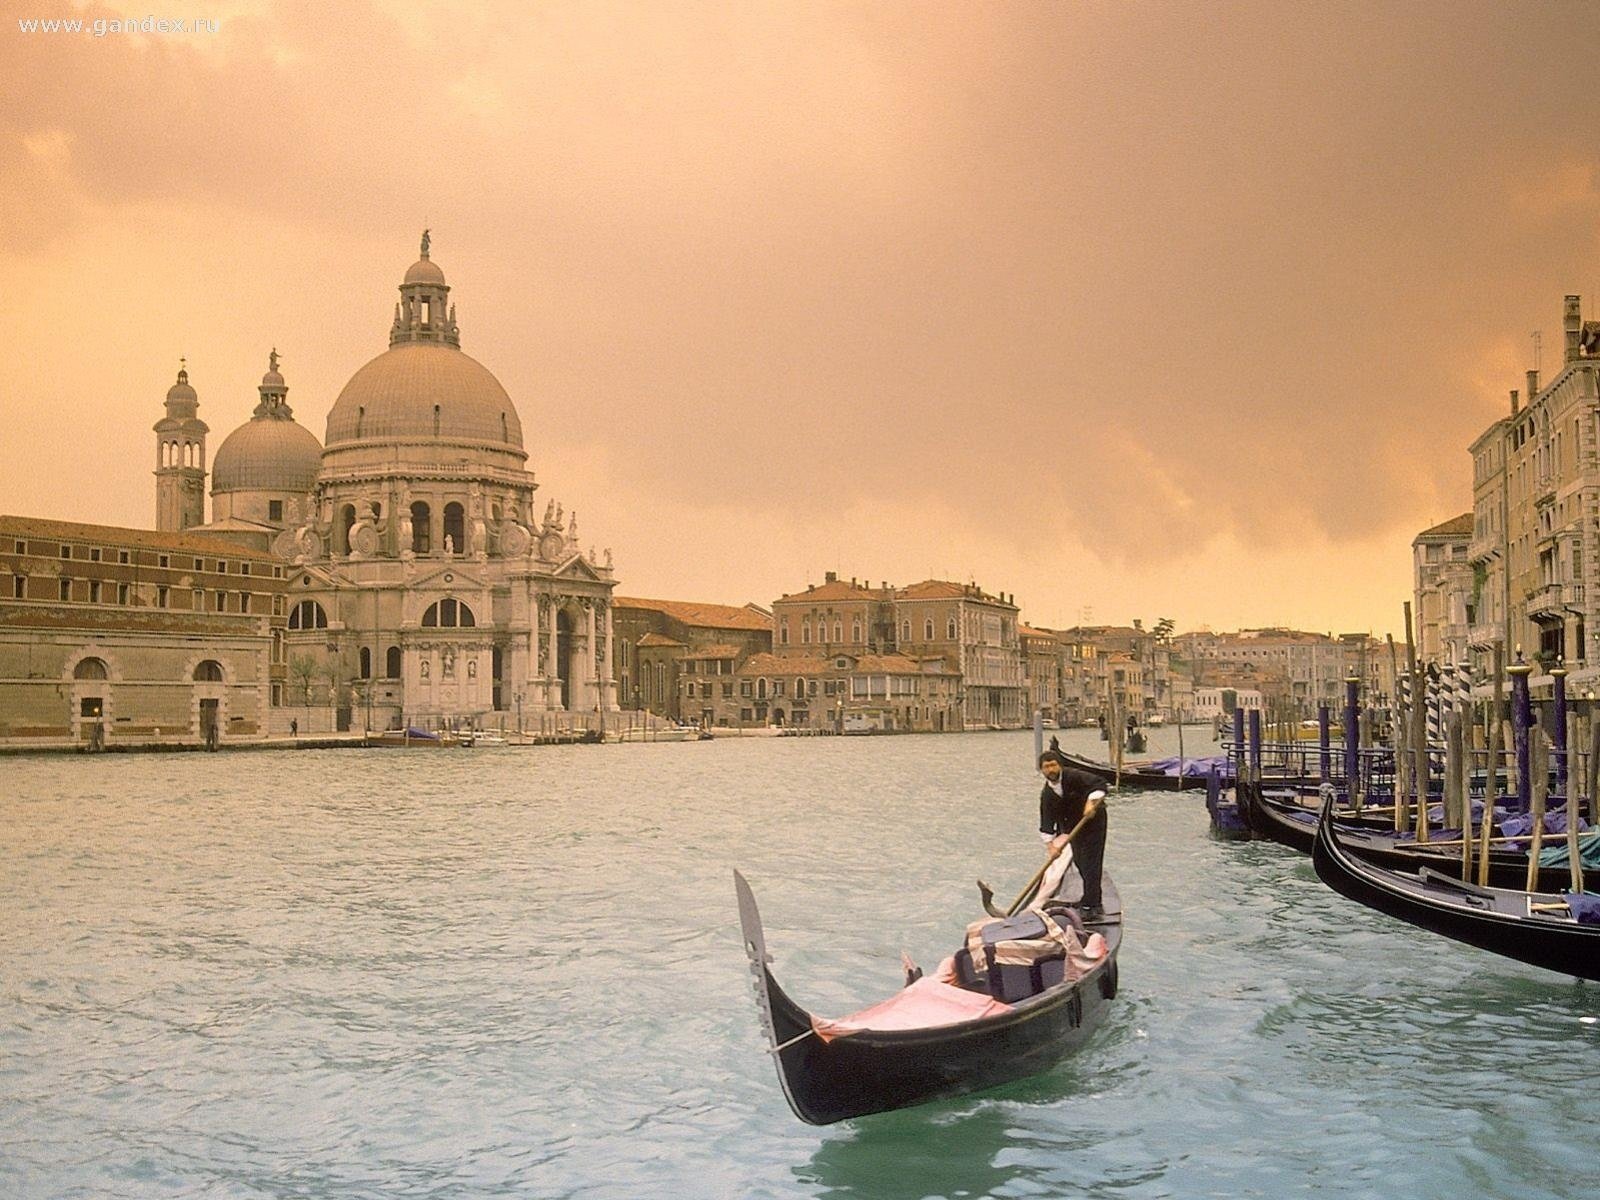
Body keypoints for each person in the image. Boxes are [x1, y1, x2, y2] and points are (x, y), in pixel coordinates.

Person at [1037, 747, 1109, 919]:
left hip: (1093, 824)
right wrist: (1051, 847)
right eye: (1046, 767)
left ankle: (1093, 905)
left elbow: (1100, 784)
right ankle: (1089, 897)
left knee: (1092, 863)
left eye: (1053, 765)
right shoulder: (1047, 795)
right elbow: (1046, 823)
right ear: (1041, 770)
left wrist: (1091, 803)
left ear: (1060, 766)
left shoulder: (1075, 776)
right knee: (1079, 862)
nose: (1051, 770)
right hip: (1073, 830)